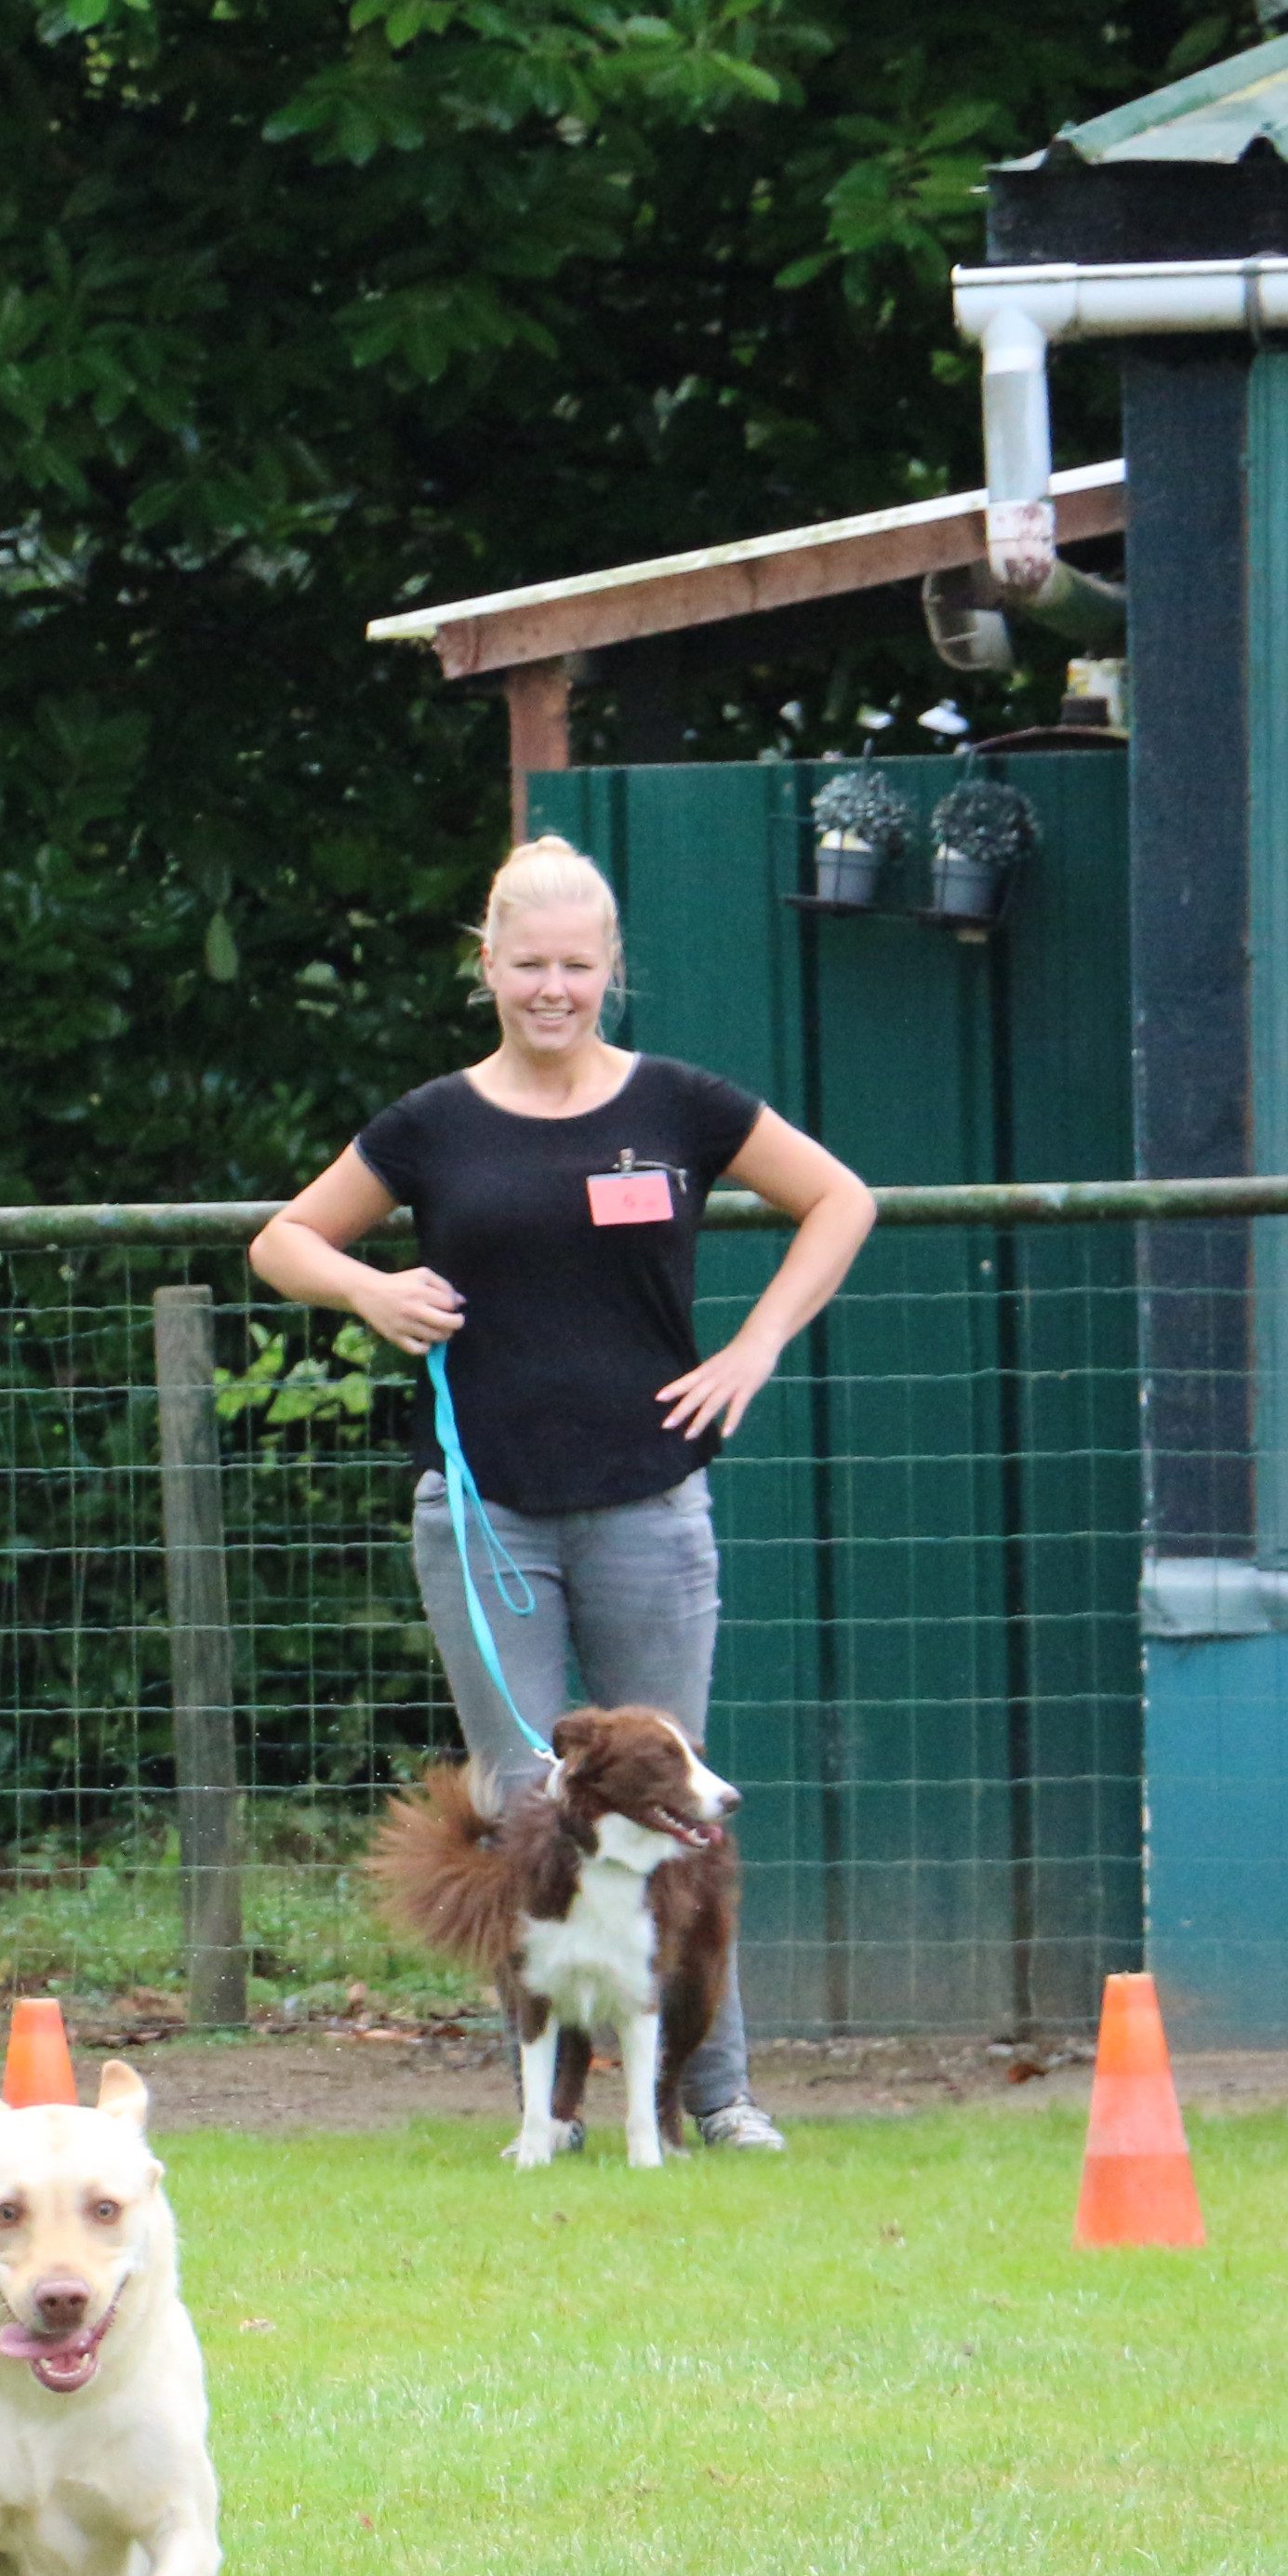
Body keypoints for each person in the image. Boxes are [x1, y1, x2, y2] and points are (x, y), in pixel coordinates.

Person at [249, 834, 874, 2155]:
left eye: (575, 967)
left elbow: (839, 1201)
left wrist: (753, 1350)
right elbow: (282, 1240)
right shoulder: (431, 1124)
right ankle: (551, 2112)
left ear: (610, 969)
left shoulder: (683, 1105)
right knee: (526, 1809)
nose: (551, 989)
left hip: (649, 1502)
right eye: (527, 964)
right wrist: (367, 1288)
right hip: (484, 1514)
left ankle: (716, 2094)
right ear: (485, 965)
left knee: (674, 1813)